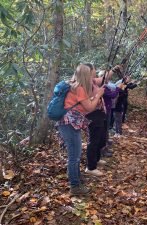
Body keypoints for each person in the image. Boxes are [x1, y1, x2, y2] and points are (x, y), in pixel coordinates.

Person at [56, 64, 105, 196]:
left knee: (76, 155)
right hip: (69, 123)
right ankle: (75, 186)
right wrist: (98, 94)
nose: (93, 77)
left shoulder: (74, 85)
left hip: (71, 122)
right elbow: (89, 107)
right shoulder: (80, 88)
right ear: (85, 75)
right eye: (91, 74)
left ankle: (77, 179)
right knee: (74, 156)